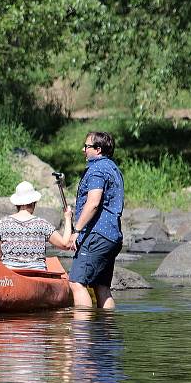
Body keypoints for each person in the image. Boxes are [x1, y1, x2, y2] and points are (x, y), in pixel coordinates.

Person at [68, 131, 124, 309]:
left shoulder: (97, 169)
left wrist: (76, 231)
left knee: (77, 283)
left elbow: (93, 202)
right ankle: (104, 334)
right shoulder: (113, 168)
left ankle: (81, 334)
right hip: (112, 237)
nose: (83, 149)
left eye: (86, 146)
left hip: (97, 235)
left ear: (98, 149)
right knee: (102, 287)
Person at [0, 181, 74, 271]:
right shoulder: (42, 224)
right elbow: (65, 244)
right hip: (37, 272)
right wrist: (68, 218)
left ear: (17, 204)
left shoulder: (3, 223)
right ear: (33, 203)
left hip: (9, 272)